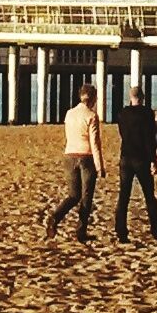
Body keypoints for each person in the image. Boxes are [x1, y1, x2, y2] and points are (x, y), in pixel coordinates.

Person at [114, 74, 157, 243]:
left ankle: (121, 231)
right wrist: (153, 160)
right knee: (149, 195)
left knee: (124, 196)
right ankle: (156, 230)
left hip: (125, 157)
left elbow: (123, 134)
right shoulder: (146, 113)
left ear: (131, 98)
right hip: (141, 159)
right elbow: (148, 139)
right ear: (143, 98)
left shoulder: (123, 114)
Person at [44, 86, 102, 245]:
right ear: (93, 98)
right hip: (86, 157)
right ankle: (81, 231)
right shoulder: (91, 116)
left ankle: (55, 217)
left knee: (73, 195)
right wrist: (99, 166)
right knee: (86, 197)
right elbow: (95, 143)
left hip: (69, 155)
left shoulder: (69, 114)